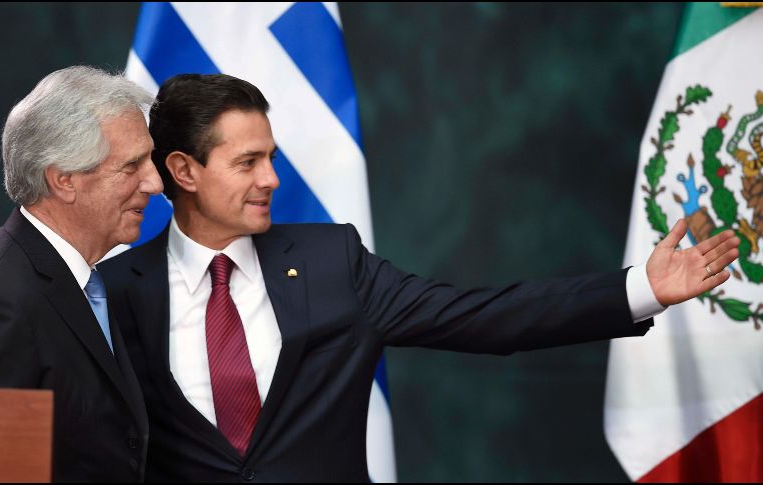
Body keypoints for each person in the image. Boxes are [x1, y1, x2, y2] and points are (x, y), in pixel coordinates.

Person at [99, 73, 740, 482]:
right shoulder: (116, 289)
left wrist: (640, 288)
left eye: (273, 158)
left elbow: (483, 317)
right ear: (183, 171)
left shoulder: (331, 263)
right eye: (248, 162)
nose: (271, 179)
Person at [0, 66, 164, 481]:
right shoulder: (4, 297)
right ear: (64, 180)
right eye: (131, 166)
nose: (155, 183)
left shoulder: (83, 282)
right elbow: (10, 470)